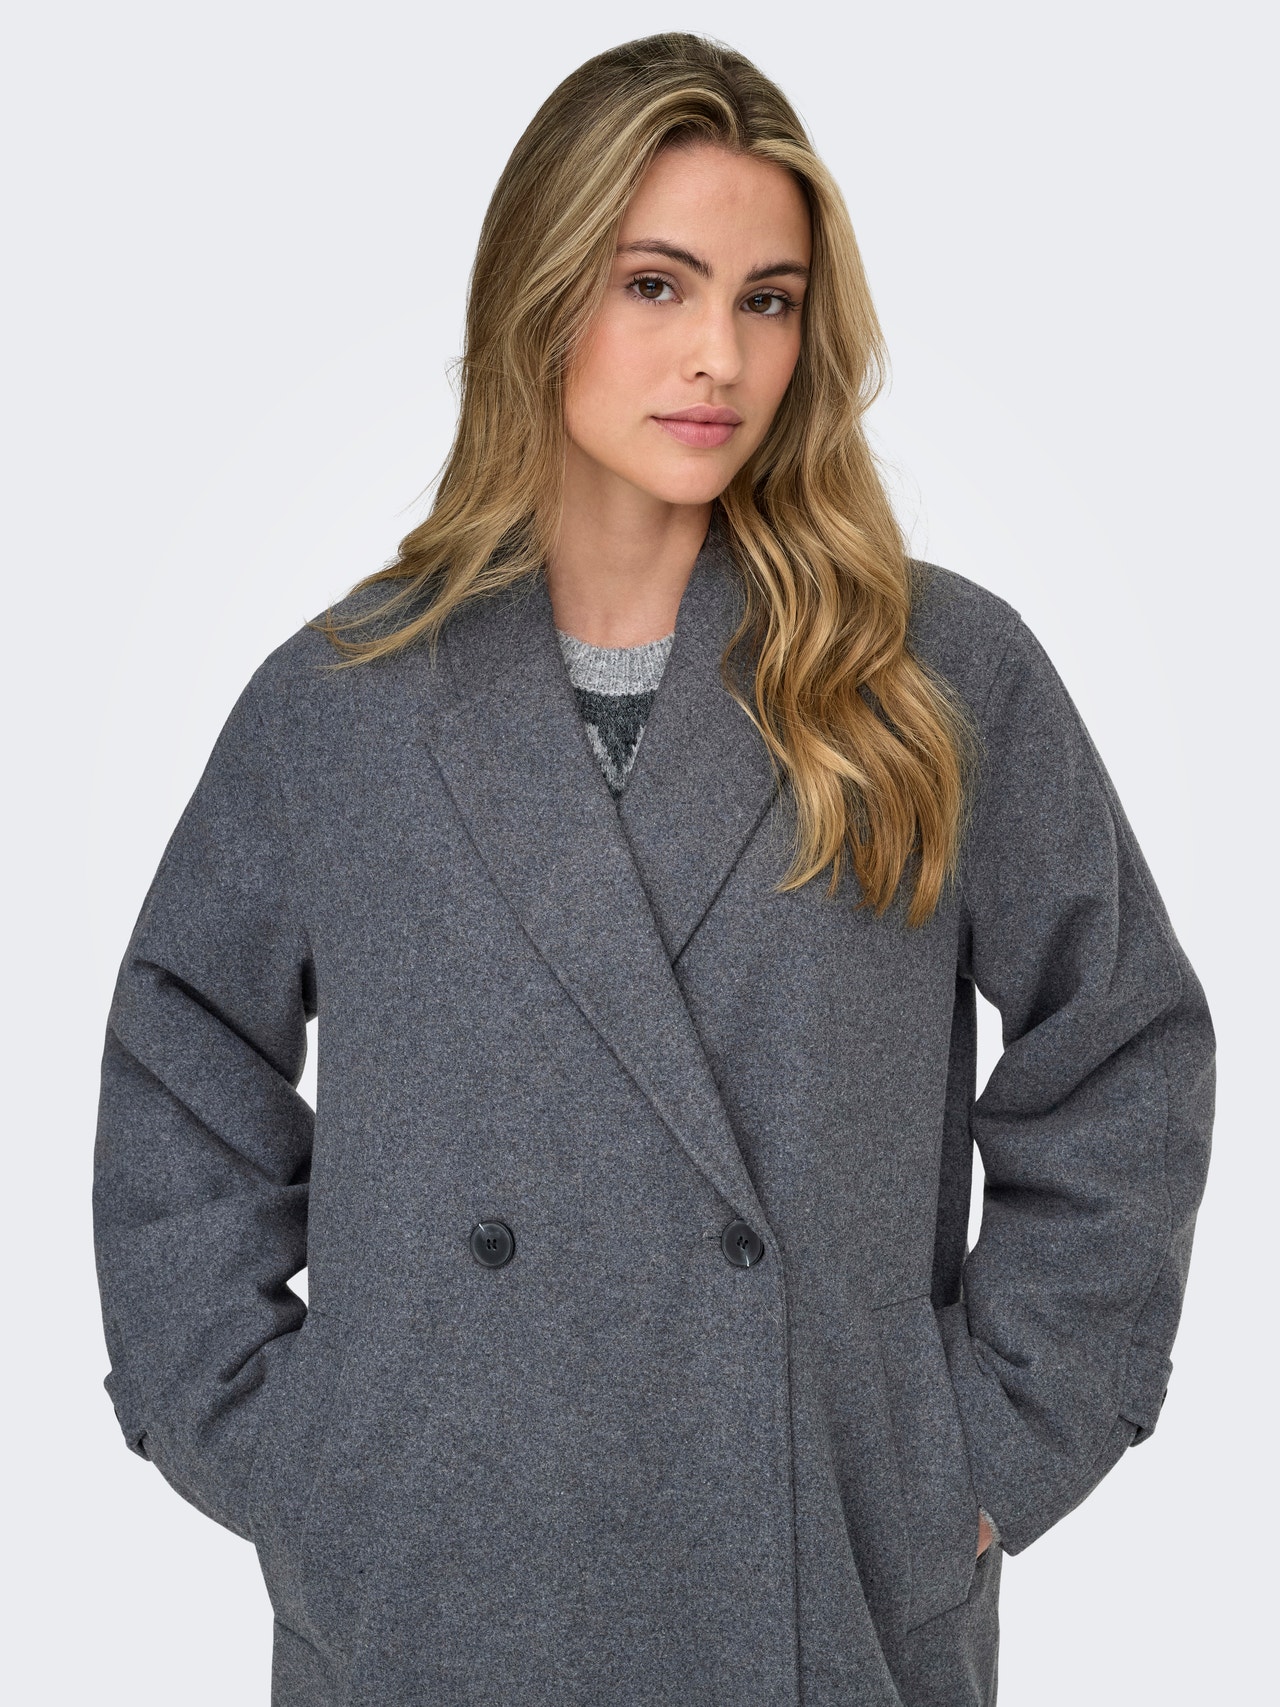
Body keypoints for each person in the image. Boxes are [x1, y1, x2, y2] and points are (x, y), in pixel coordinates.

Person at [91, 31, 1215, 1707]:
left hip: (823, 1576)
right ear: (540, 297)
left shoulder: (931, 673)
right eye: (656, 285)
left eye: (768, 300)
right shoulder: (342, 703)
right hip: (434, 1594)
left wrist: (983, 1449)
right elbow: (181, 1057)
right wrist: (295, 1454)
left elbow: (1121, 1048)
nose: (718, 356)